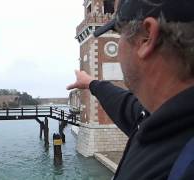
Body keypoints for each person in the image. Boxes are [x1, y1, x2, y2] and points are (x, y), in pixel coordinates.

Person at [67, 0, 194, 179]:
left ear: (146, 38)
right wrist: (91, 83)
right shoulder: (160, 116)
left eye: (119, 34)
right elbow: (126, 106)